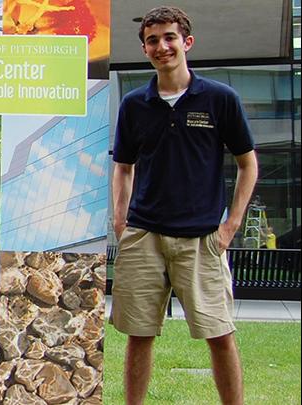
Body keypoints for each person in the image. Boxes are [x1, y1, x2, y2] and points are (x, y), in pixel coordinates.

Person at [111, 6, 257, 405]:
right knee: (139, 337)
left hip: (202, 239)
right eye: (153, 40)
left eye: (170, 37)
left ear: (186, 42)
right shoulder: (134, 105)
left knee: (220, 335)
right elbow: (122, 167)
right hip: (145, 235)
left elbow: (249, 164)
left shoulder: (220, 99)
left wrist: (231, 226)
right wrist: (121, 222)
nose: (162, 46)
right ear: (145, 49)